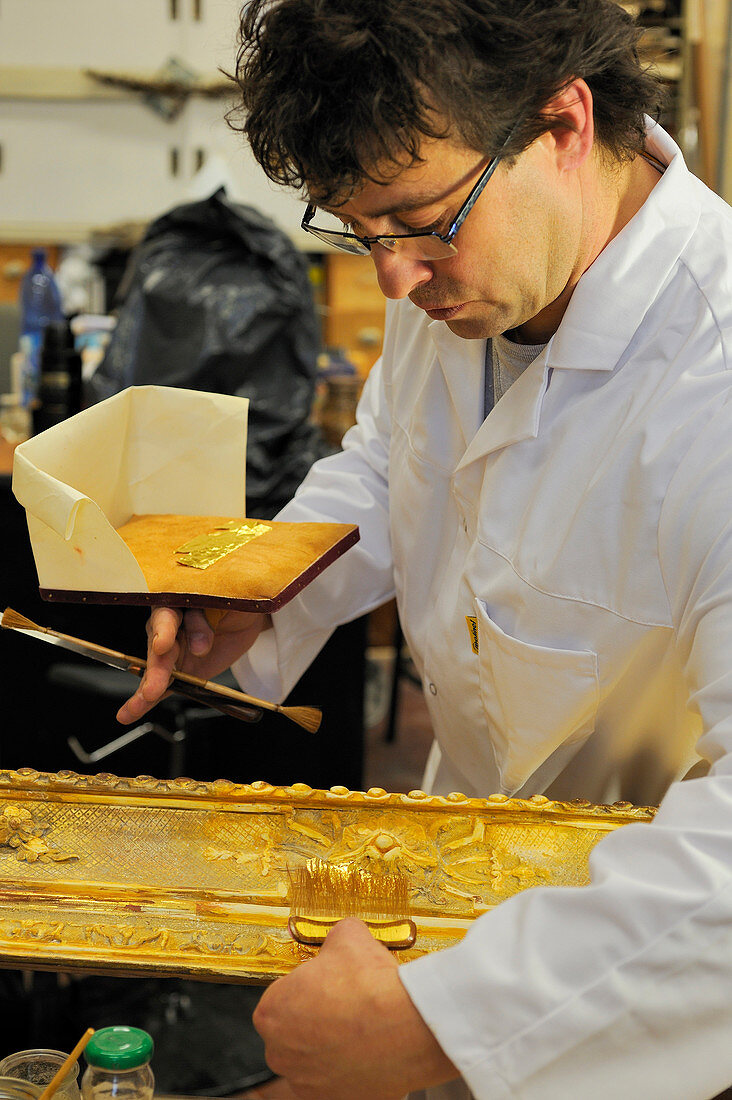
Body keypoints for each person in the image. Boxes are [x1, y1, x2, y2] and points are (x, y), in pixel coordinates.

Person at [118, 0, 732, 1096]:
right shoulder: (462, 269)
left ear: (565, 122)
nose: (394, 278)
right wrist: (266, 584)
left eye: (415, 221)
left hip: (637, 987)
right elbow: (392, 461)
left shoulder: (715, 375)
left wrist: (456, 1023)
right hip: (452, 896)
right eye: (362, 234)